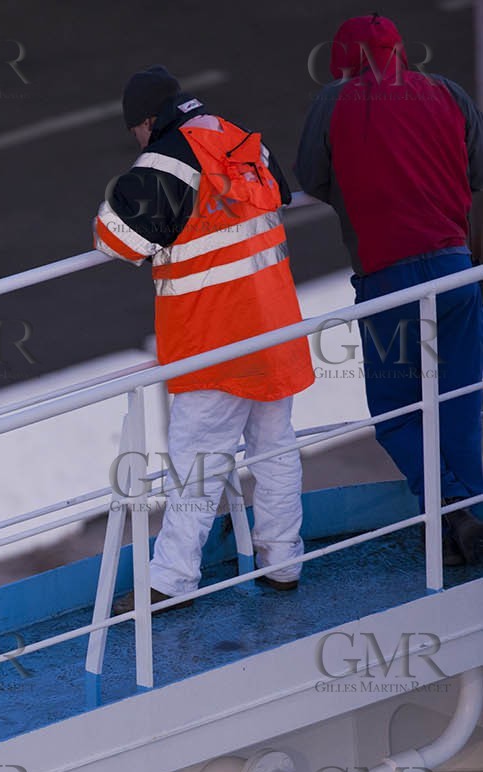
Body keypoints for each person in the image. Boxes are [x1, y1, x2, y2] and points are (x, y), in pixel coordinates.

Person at [93, 67, 314, 611]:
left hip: (212, 338)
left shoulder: (164, 160)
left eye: (136, 132)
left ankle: (170, 581)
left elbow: (114, 239)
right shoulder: (240, 138)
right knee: (275, 447)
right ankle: (283, 561)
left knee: (196, 461)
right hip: (273, 326)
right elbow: (279, 195)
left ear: (147, 121)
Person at [297, 14, 483, 567]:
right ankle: (474, 506)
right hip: (457, 270)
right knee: (462, 399)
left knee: (397, 412)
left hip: (388, 281)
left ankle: (449, 506)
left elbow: (312, 179)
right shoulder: (447, 91)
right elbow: (477, 168)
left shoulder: (334, 103)